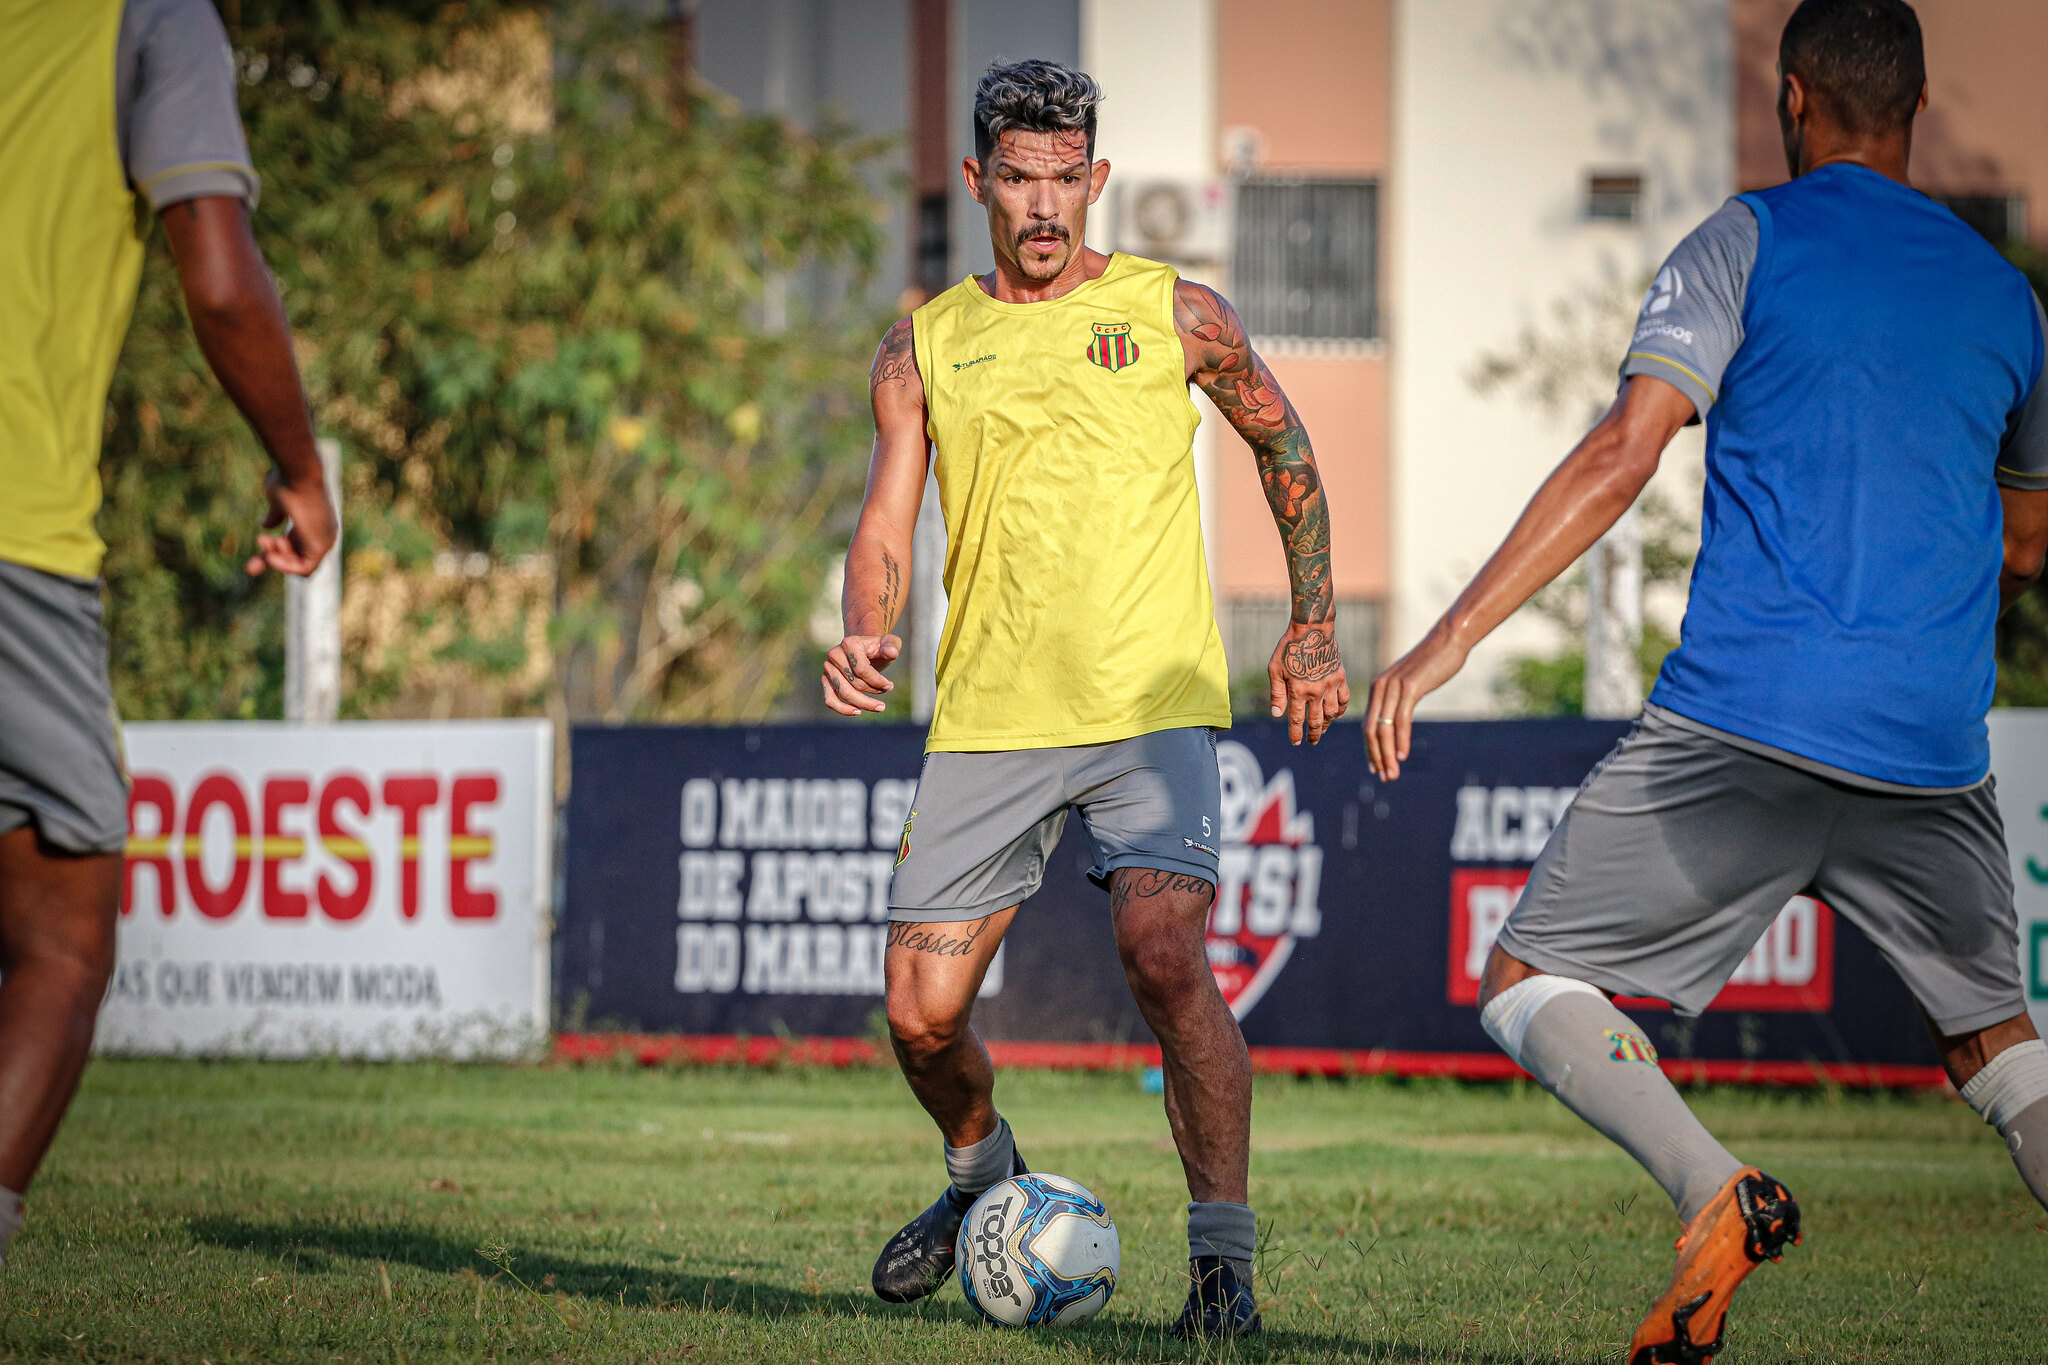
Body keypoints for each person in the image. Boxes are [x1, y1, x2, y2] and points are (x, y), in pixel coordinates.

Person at [1365, 1, 2048, 1359]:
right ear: (1914, 107)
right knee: (2001, 1051)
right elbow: (2026, 538)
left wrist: (1446, 641)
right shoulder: (2008, 296)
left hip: (1745, 720)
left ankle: (1711, 1189)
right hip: (1929, 744)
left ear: (1795, 98)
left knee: (1522, 974)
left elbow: (1628, 453)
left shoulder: (1750, 238)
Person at [822, 59, 1348, 1338]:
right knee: (916, 1015)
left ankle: (1221, 1273)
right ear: (976, 183)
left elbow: (1281, 441)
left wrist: (1315, 625)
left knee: (1165, 959)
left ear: (1096, 180)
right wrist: (862, 627)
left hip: (1150, 703)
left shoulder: (1180, 316)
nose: (1043, 206)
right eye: (1017, 179)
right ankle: (980, 1173)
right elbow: (887, 515)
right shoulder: (924, 342)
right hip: (990, 716)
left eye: (1066, 179)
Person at [0, 0, 335, 1266]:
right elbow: (214, 262)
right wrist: (299, 467)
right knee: (60, 936)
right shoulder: (146, 17)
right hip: (15, 529)